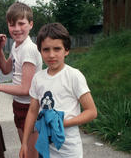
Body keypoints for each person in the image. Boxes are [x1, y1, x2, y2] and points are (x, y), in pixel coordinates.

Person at [19, 23, 97, 158]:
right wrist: (25, 143)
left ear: (66, 50)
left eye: (57, 49)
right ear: (40, 51)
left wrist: (62, 123)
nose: (51, 55)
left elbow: (91, 112)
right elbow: (32, 111)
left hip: (69, 150)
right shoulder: (38, 78)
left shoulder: (74, 76)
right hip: (45, 147)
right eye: (46, 49)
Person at [0, 2, 42, 158]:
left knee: (31, 154)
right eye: (12, 25)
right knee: (26, 152)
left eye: (21, 23)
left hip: (30, 107)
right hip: (18, 105)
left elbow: (25, 89)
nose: (17, 29)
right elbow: (5, 68)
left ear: (31, 24)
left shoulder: (29, 49)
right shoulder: (17, 46)